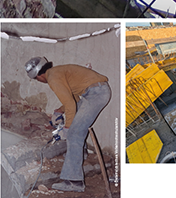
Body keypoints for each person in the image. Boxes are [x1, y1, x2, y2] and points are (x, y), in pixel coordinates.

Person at [25, 56, 112, 193]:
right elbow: (74, 99)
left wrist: (66, 129)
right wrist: (59, 111)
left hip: (96, 94)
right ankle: (78, 155)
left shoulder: (53, 79)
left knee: (74, 134)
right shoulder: (57, 72)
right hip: (96, 91)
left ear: (39, 75)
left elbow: (71, 105)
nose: (39, 81)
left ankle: (74, 181)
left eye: (36, 79)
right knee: (76, 130)